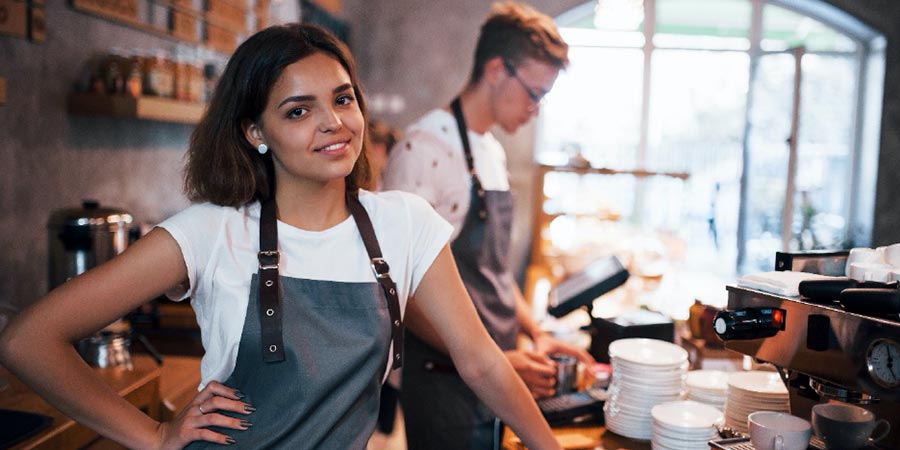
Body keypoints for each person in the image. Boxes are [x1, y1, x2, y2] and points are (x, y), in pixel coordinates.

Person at [0, 24, 563, 450]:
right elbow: (29, 340)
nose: (333, 123)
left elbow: (483, 363)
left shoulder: (405, 224)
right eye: (299, 110)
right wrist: (154, 436)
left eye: (342, 99)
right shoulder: (209, 231)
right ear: (254, 131)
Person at [382, 3, 596, 449]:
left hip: (495, 372)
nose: (536, 109)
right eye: (535, 93)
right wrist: (497, 359)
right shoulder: (423, 150)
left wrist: (536, 334)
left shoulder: (490, 151)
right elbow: (402, 292)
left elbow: (493, 273)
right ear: (497, 69)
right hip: (444, 382)